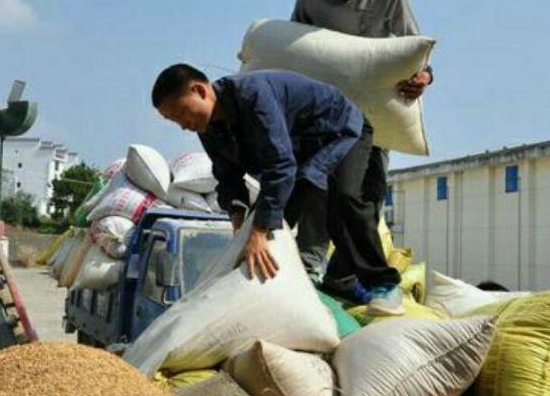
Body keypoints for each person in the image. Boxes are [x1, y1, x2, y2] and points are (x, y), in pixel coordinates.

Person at [151, 63, 404, 315]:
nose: (183, 125)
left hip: (341, 131)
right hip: (300, 153)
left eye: (181, 113)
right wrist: (241, 223)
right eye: (175, 122)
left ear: (199, 90)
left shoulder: (252, 95)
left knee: (344, 199)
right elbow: (228, 176)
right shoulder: (208, 128)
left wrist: (259, 230)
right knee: (269, 223)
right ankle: (282, 290)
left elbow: (280, 165)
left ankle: (383, 283)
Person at [290, 0, 432, 286]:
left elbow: (414, 49)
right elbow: (293, 44)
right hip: (323, 115)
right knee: (317, 183)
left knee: (366, 194)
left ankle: (351, 270)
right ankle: (311, 261)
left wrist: (424, 77)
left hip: (372, 113)